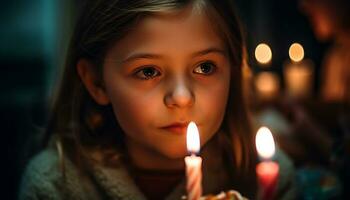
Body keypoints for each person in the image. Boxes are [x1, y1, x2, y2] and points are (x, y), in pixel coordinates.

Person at [18, 0, 297, 199]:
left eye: (205, 67)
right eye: (148, 71)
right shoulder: (54, 185)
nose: (182, 97)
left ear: (233, 72)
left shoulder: (264, 180)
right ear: (96, 82)